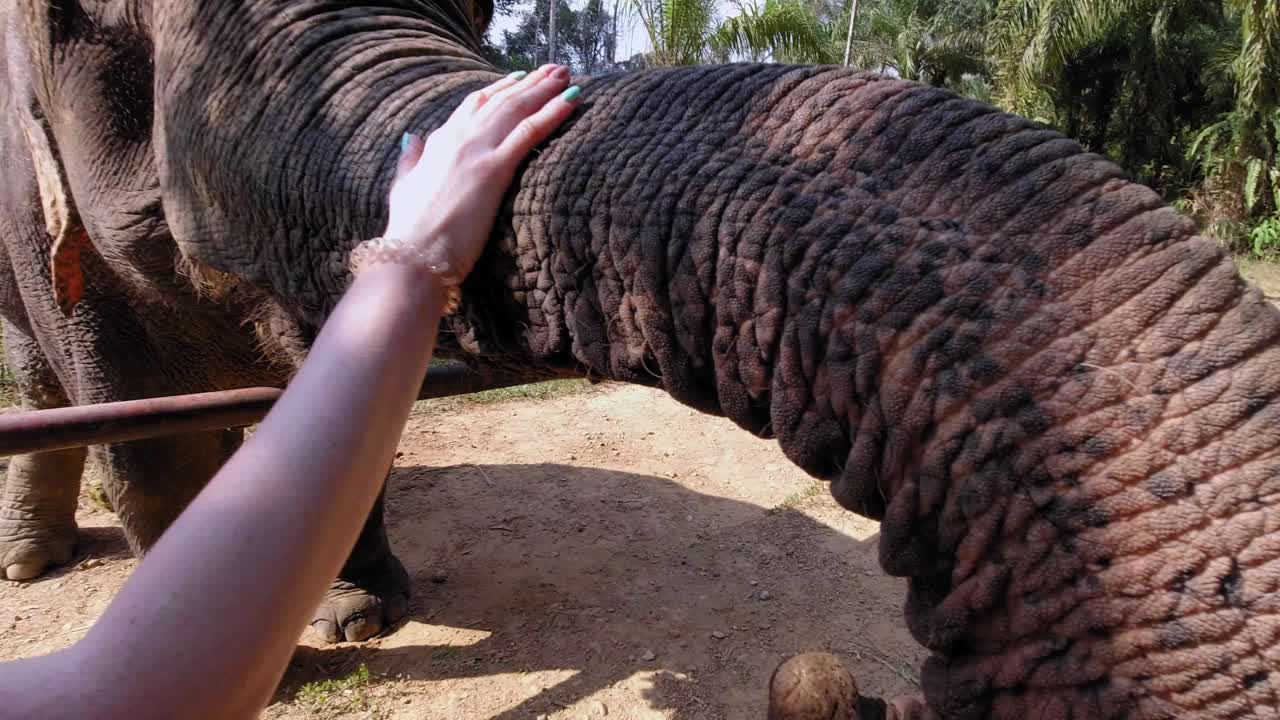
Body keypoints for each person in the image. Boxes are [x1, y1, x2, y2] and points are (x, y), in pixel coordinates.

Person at [0, 63, 581, 720]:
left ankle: (345, 559)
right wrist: (411, 268)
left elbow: (122, 697)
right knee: (68, 370)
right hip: (85, 199)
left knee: (270, 356)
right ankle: (44, 484)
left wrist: (404, 271)